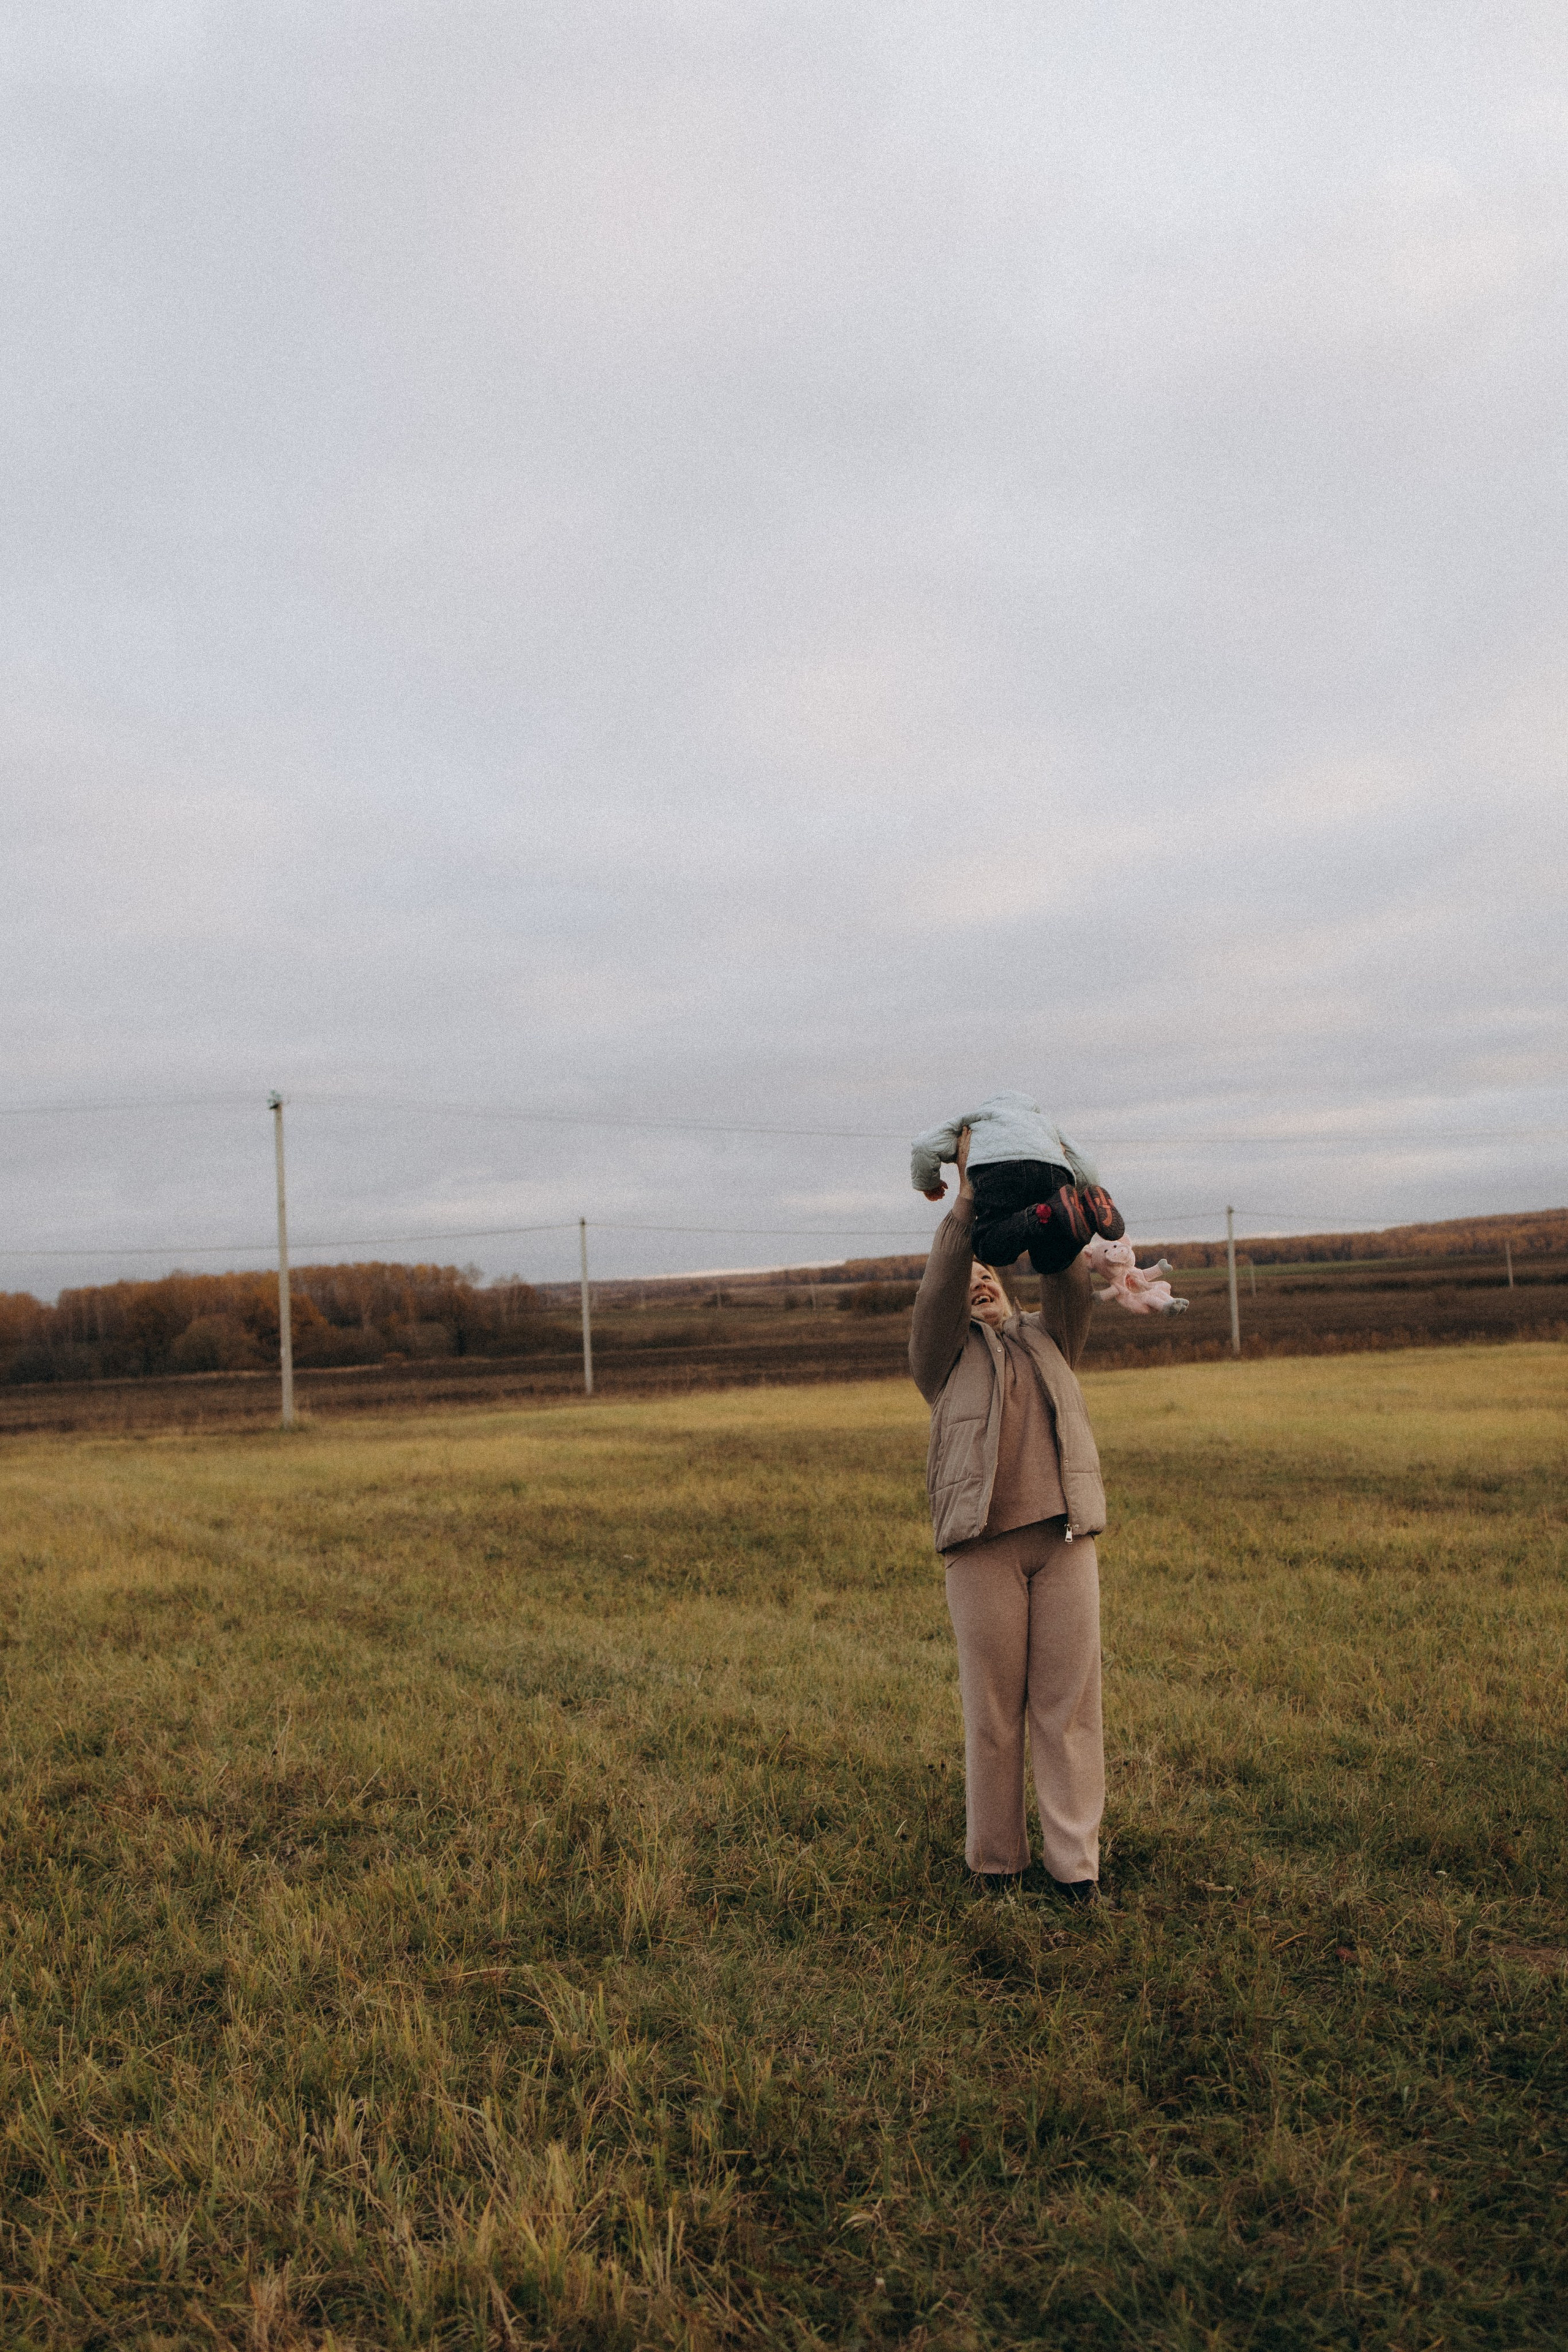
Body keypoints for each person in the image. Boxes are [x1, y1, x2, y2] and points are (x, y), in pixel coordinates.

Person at [909, 1123, 1106, 1902]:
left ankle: (1075, 1871)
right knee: (992, 1713)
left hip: (1064, 1544)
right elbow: (937, 1288)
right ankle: (996, 1864)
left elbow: (1067, 1280)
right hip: (982, 1550)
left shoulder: (1050, 1339)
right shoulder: (941, 1360)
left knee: (1069, 1710)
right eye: (969, 1277)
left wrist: (1063, 1213)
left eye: (991, 1273)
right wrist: (966, 1206)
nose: (979, 1280)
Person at [911, 1088, 1125, 1277]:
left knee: (989, 1247)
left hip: (998, 1173)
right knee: (1049, 1260)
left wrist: (929, 1184)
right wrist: (1084, 1191)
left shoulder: (976, 1120)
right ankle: (1084, 1215)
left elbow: (924, 1145)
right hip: (1051, 1172)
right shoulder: (1044, 1123)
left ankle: (1044, 1214)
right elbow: (1084, 1161)